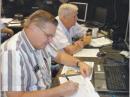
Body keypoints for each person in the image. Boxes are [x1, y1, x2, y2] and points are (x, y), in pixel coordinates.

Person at [0, 10, 90, 97]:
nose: (51, 40)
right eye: (48, 35)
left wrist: (79, 63)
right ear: (33, 28)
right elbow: (15, 96)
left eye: (52, 36)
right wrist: (58, 91)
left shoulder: (40, 41)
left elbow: (59, 56)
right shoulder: (12, 52)